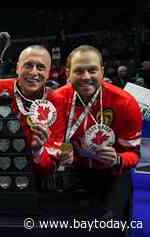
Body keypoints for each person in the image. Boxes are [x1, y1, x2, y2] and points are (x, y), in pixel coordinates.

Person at [54, 45, 142, 229]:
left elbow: (134, 155)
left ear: (101, 71)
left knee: (110, 228)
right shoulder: (57, 100)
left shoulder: (125, 103)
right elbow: (53, 141)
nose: (86, 76)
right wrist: (61, 152)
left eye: (92, 70)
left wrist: (118, 159)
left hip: (112, 174)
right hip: (74, 171)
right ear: (68, 73)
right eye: (78, 71)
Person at [0, 45, 67, 174]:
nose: (34, 72)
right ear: (18, 68)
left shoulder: (57, 101)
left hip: (32, 175)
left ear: (48, 73)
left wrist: (37, 150)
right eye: (28, 65)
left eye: (41, 67)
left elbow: (50, 163)